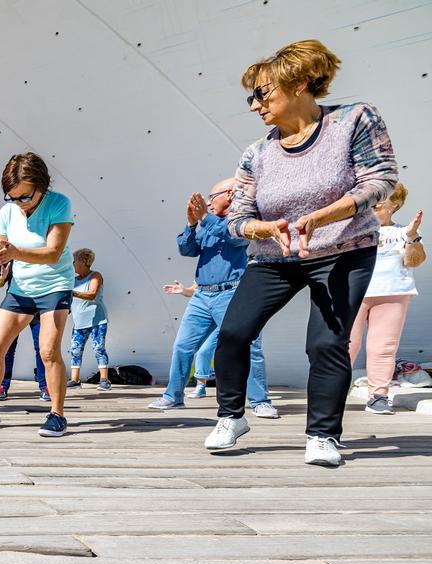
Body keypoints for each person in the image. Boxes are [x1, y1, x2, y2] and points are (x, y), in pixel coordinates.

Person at [212, 39, 397, 466]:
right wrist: (262, 226)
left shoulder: (354, 119)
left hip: (344, 250)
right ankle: (230, 416)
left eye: (261, 93)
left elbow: (381, 179)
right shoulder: (256, 153)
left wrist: (327, 215)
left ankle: (323, 435)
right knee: (234, 332)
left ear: (296, 83)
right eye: (251, 96)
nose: (254, 104)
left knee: (326, 342)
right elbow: (237, 216)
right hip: (275, 255)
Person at [0, 151, 75, 435]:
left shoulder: (59, 204)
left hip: (54, 284)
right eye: (13, 197)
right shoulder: (7, 212)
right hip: (21, 287)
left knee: (49, 350)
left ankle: (57, 414)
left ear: (42, 186)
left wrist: (14, 252)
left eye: (25, 197)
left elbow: (52, 253)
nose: (19, 204)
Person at [148, 180, 277, 418]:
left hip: (233, 292)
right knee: (183, 346)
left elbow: (234, 238)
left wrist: (204, 217)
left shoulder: (245, 219)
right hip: (203, 295)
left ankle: (260, 401)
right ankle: (173, 396)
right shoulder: (208, 222)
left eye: (212, 196)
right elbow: (187, 250)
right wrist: (191, 223)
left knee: (249, 346)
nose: (207, 202)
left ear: (229, 194)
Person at [349, 184, 425, 414]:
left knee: (383, 348)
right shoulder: (353, 231)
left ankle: (378, 397)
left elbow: (414, 261)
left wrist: (412, 238)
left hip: (393, 292)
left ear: (393, 207)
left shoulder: (403, 232)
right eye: (369, 206)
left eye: (378, 207)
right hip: (355, 293)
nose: (371, 210)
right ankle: (330, 393)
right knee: (345, 346)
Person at [0, 264, 49, 403]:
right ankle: (2, 386)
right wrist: (3, 277)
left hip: (38, 308)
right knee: (7, 348)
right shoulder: (8, 259)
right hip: (16, 307)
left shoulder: (39, 254)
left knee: (43, 349)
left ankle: (45, 387)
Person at [67, 249, 111, 391]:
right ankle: (75, 380)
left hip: (96, 320)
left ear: (84, 261)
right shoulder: (73, 281)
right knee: (75, 350)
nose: (73, 264)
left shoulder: (95, 276)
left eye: (75, 260)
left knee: (98, 348)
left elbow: (92, 294)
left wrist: (72, 292)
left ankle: (104, 380)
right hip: (79, 322)